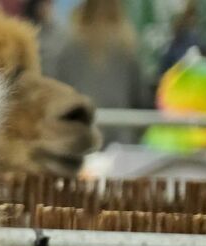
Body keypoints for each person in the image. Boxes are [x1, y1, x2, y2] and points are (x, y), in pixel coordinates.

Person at [50, 0, 152, 143]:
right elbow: (141, 98)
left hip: (81, 136)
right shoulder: (128, 45)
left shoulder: (69, 44)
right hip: (122, 134)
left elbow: (58, 93)